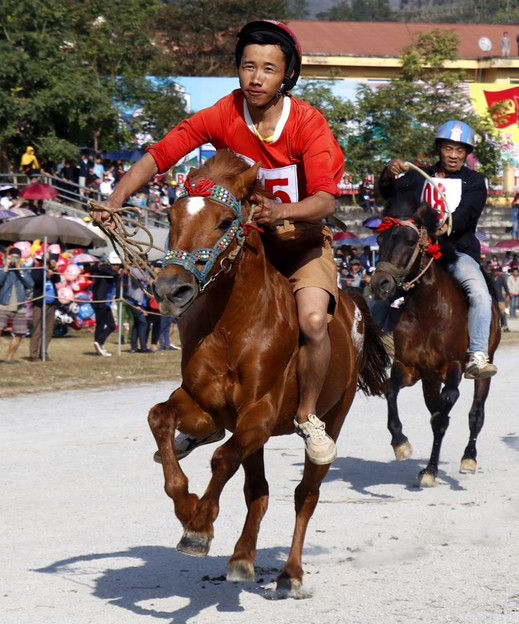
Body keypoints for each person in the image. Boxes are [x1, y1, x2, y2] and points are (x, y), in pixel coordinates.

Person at [89, 20, 343, 465]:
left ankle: (307, 416)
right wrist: (114, 199)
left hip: (300, 242)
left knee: (315, 320)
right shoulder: (223, 113)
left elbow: (324, 200)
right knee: (190, 309)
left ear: (287, 75)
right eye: (248, 66)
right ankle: (201, 415)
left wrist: (282, 211)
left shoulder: (308, 123)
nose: (256, 77)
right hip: (245, 246)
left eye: (268, 68)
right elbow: (160, 154)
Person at [380, 120, 497, 379]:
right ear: (439, 149)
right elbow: (389, 193)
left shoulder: (475, 181)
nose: (453, 155)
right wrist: (388, 171)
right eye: (448, 148)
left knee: (479, 292)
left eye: (460, 150)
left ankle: (477, 354)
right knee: (384, 278)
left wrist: (447, 227)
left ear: (467, 153)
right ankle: (369, 341)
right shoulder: (417, 176)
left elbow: (468, 212)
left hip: (456, 252)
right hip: (419, 254)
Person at [0, 246, 34, 365]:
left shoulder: (24, 269)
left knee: (19, 333)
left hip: (19, 306)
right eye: (11, 257)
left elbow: (30, 284)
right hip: (4, 304)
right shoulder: (1, 268)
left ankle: (9, 358)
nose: (14, 260)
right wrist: (6, 267)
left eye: (16, 258)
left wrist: (19, 270)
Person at [27, 252, 59, 362]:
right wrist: (46, 275)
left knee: (49, 330)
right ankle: (33, 354)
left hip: (51, 304)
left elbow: (58, 279)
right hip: (39, 304)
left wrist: (54, 270)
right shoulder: (36, 271)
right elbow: (37, 281)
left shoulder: (52, 270)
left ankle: (43, 352)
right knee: (37, 329)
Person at [89, 252, 120, 357]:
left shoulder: (110, 270)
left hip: (105, 302)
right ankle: (99, 342)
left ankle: (99, 346)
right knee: (110, 325)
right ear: (110, 263)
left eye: (118, 265)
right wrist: (117, 272)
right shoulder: (105, 268)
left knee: (101, 325)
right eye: (114, 264)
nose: (116, 267)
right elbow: (109, 272)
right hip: (101, 301)